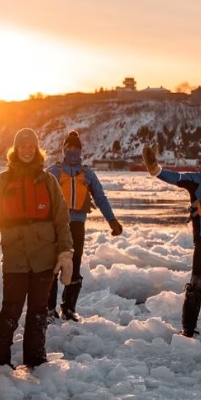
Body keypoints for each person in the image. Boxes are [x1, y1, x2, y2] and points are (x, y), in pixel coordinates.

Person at [0, 128, 74, 368]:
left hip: (45, 256)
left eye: (31, 146)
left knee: (38, 311)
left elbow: (62, 220)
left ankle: (36, 359)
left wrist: (65, 253)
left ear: (36, 150)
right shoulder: (2, 181)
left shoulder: (48, 181)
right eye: (22, 146)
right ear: (15, 149)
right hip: (15, 256)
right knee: (11, 308)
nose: (27, 150)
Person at [143, 143, 201, 337]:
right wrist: (156, 170)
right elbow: (176, 177)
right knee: (197, 284)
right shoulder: (197, 180)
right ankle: (189, 327)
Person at [45, 130, 123, 322]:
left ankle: (69, 309)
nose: (72, 151)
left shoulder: (87, 174)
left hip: (77, 226)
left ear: (81, 151)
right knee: (53, 266)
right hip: (55, 226)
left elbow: (101, 198)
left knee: (75, 265)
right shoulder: (53, 171)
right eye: (69, 148)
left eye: (76, 148)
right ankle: (48, 310)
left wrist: (112, 220)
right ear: (63, 149)